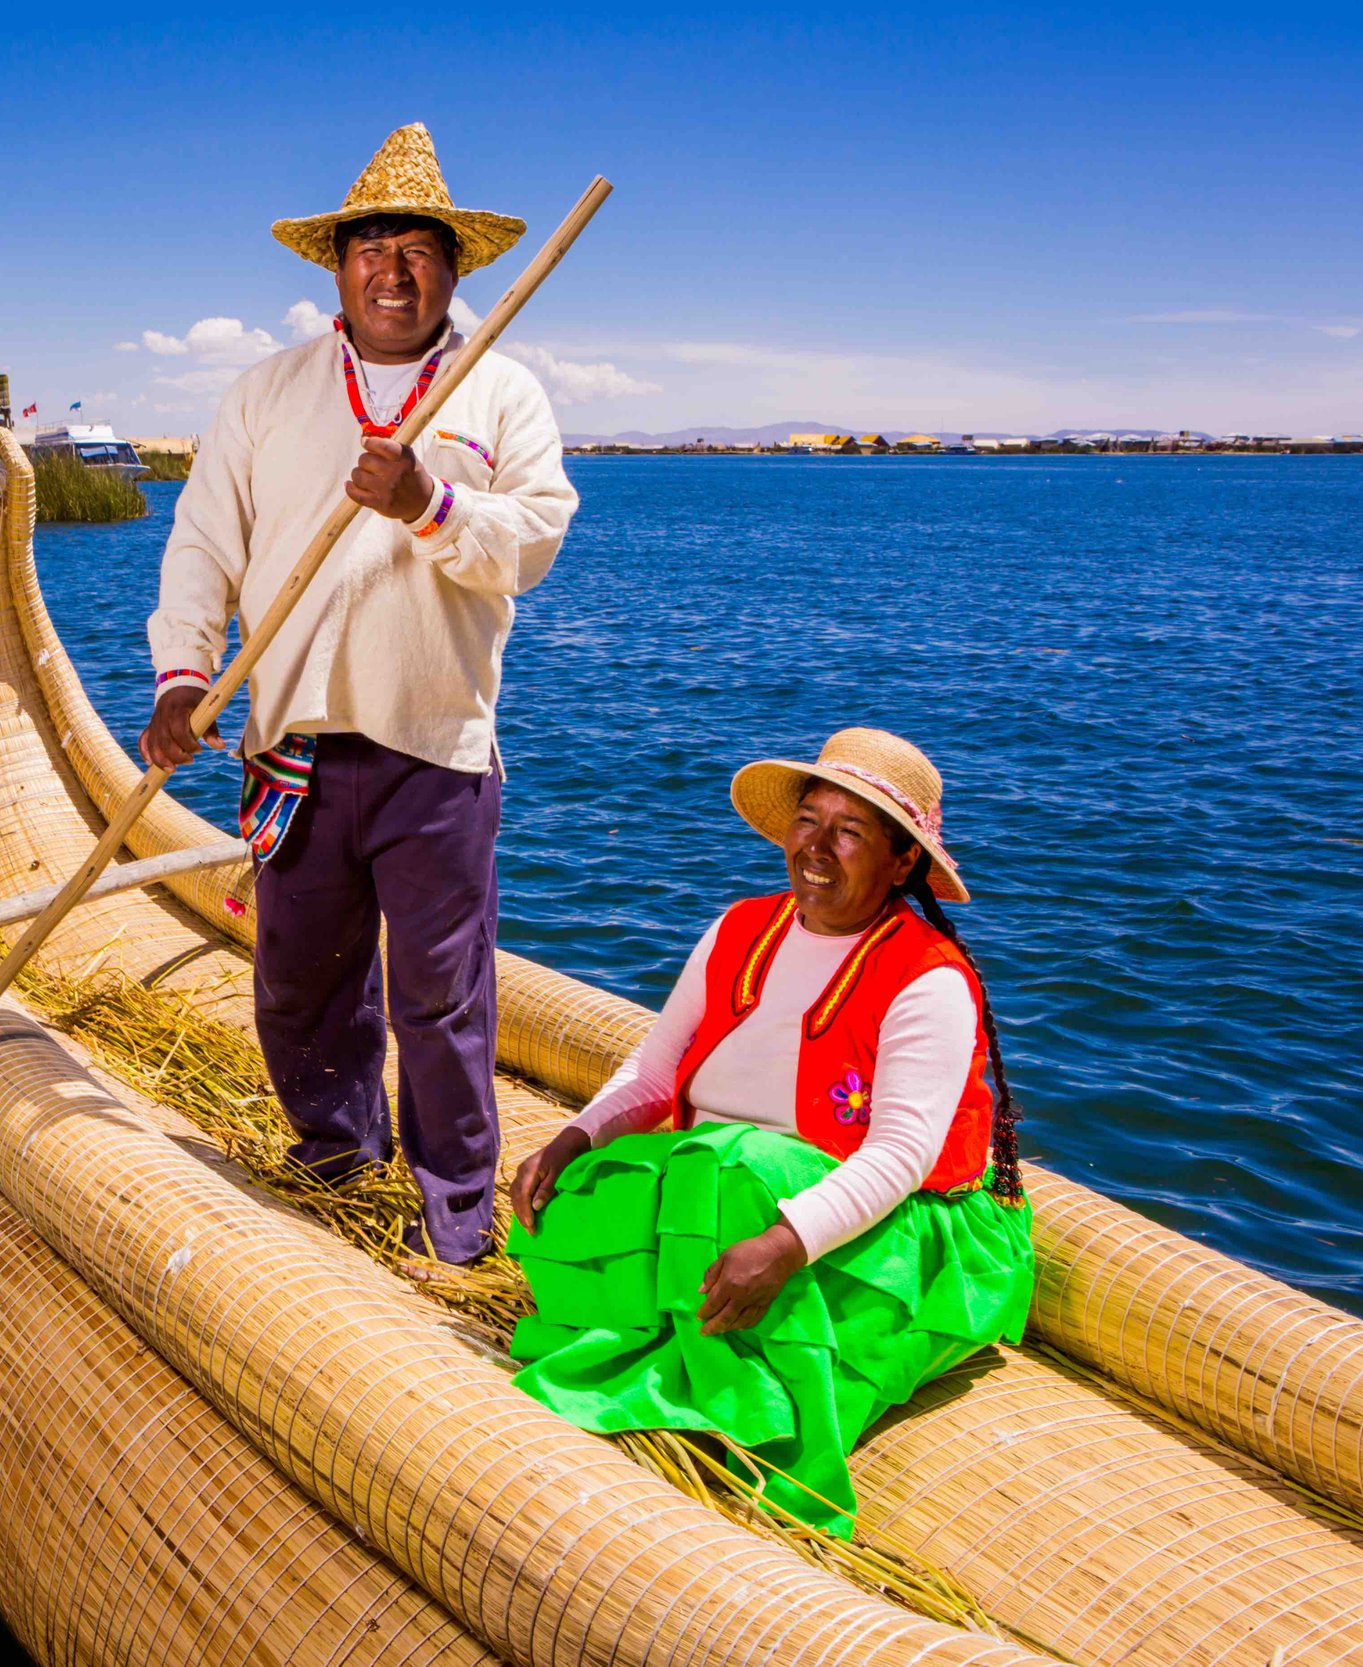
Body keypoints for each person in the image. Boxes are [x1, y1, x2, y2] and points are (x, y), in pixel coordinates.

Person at [139, 123, 577, 1266]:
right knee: (297, 987)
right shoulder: (269, 394)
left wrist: (429, 501)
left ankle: (457, 1218)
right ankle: (337, 1166)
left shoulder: (499, 395)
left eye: (417, 248)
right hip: (291, 747)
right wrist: (184, 673)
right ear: (335, 268)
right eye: (370, 246)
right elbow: (201, 548)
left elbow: (530, 542)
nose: (393, 269)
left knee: (441, 1001)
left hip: (435, 750)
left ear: (454, 266)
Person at [504, 728, 1034, 1535]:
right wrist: (574, 1138)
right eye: (809, 821)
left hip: (891, 1225)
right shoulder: (742, 929)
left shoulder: (927, 978)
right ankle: (685, 1330)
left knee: (730, 1168)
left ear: (901, 863)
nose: (818, 848)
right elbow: (652, 1075)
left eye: (851, 832)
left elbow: (899, 1156)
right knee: (580, 1195)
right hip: (719, 1184)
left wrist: (786, 1243)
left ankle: (739, 1406)